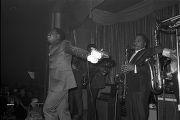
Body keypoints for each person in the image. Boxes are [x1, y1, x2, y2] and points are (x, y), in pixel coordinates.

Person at [43, 28, 90, 120]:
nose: (48, 34)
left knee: (48, 110)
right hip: (56, 84)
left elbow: (76, 50)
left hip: (60, 83)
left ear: (58, 36)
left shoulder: (64, 44)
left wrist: (91, 55)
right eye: (48, 33)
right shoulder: (51, 47)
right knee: (63, 111)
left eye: (51, 33)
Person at [121, 33, 163, 120]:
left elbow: (152, 69)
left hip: (141, 90)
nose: (135, 42)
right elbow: (131, 70)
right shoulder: (130, 55)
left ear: (144, 44)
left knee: (140, 115)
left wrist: (135, 67)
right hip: (130, 89)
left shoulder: (147, 52)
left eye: (138, 41)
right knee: (130, 115)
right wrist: (125, 70)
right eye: (135, 41)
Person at [85, 44, 114, 120]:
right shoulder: (89, 56)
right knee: (91, 103)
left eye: (91, 49)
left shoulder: (99, 56)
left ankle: (91, 118)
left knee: (91, 102)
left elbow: (107, 67)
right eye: (89, 49)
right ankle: (92, 117)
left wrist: (98, 67)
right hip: (90, 82)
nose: (90, 50)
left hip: (96, 82)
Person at [69, 56, 85, 120]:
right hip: (70, 84)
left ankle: (79, 114)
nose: (74, 58)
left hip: (77, 84)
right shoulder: (70, 62)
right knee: (71, 98)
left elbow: (84, 73)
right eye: (73, 57)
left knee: (78, 98)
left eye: (75, 57)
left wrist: (76, 69)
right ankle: (71, 113)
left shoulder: (81, 63)